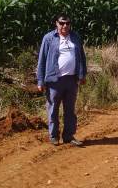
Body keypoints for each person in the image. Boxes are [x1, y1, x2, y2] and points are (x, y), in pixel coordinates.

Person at [36, 14, 87, 146]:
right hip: (54, 80)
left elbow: (81, 56)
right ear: (56, 23)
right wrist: (40, 81)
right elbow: (42, 60)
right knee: (53, 109)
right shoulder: (49, 38)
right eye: (62, 23)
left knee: (70, 110)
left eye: (67, 23)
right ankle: (53, 136)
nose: (65, 26)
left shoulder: (75, 37)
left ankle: (69, 136)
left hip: (71, 79)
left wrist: (82, 74)